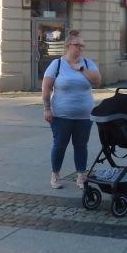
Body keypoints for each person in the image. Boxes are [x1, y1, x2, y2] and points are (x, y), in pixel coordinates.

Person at [42, 30, 101, 190]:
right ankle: (55, 175)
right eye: (77, 45)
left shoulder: (87, 63)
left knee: (81, 145)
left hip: (84, 115)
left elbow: (97, 80)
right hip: (61, 115)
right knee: (59, 145)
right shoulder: (57, 64)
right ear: (68, 46)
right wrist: (47, 108)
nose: (81, 48)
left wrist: (80, 68)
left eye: (82, 46)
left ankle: (81, 176)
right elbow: (46, 86)